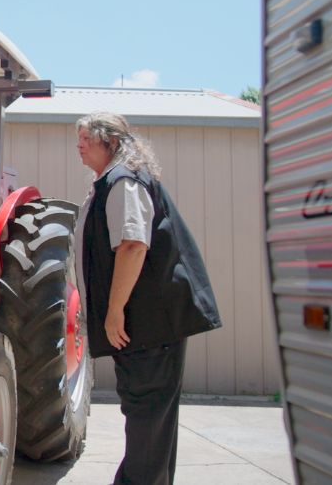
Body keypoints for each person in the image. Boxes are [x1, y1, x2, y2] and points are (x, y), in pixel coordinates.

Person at [75, 112, 222, 485]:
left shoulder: (123, 181)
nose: (78, 146)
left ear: (109, 142)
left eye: (85, 139)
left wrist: (114, 311)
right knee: (150, 415)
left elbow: (133, 246)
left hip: (149, 323)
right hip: (149, 323)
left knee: (146, 412)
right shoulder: (114, 179)